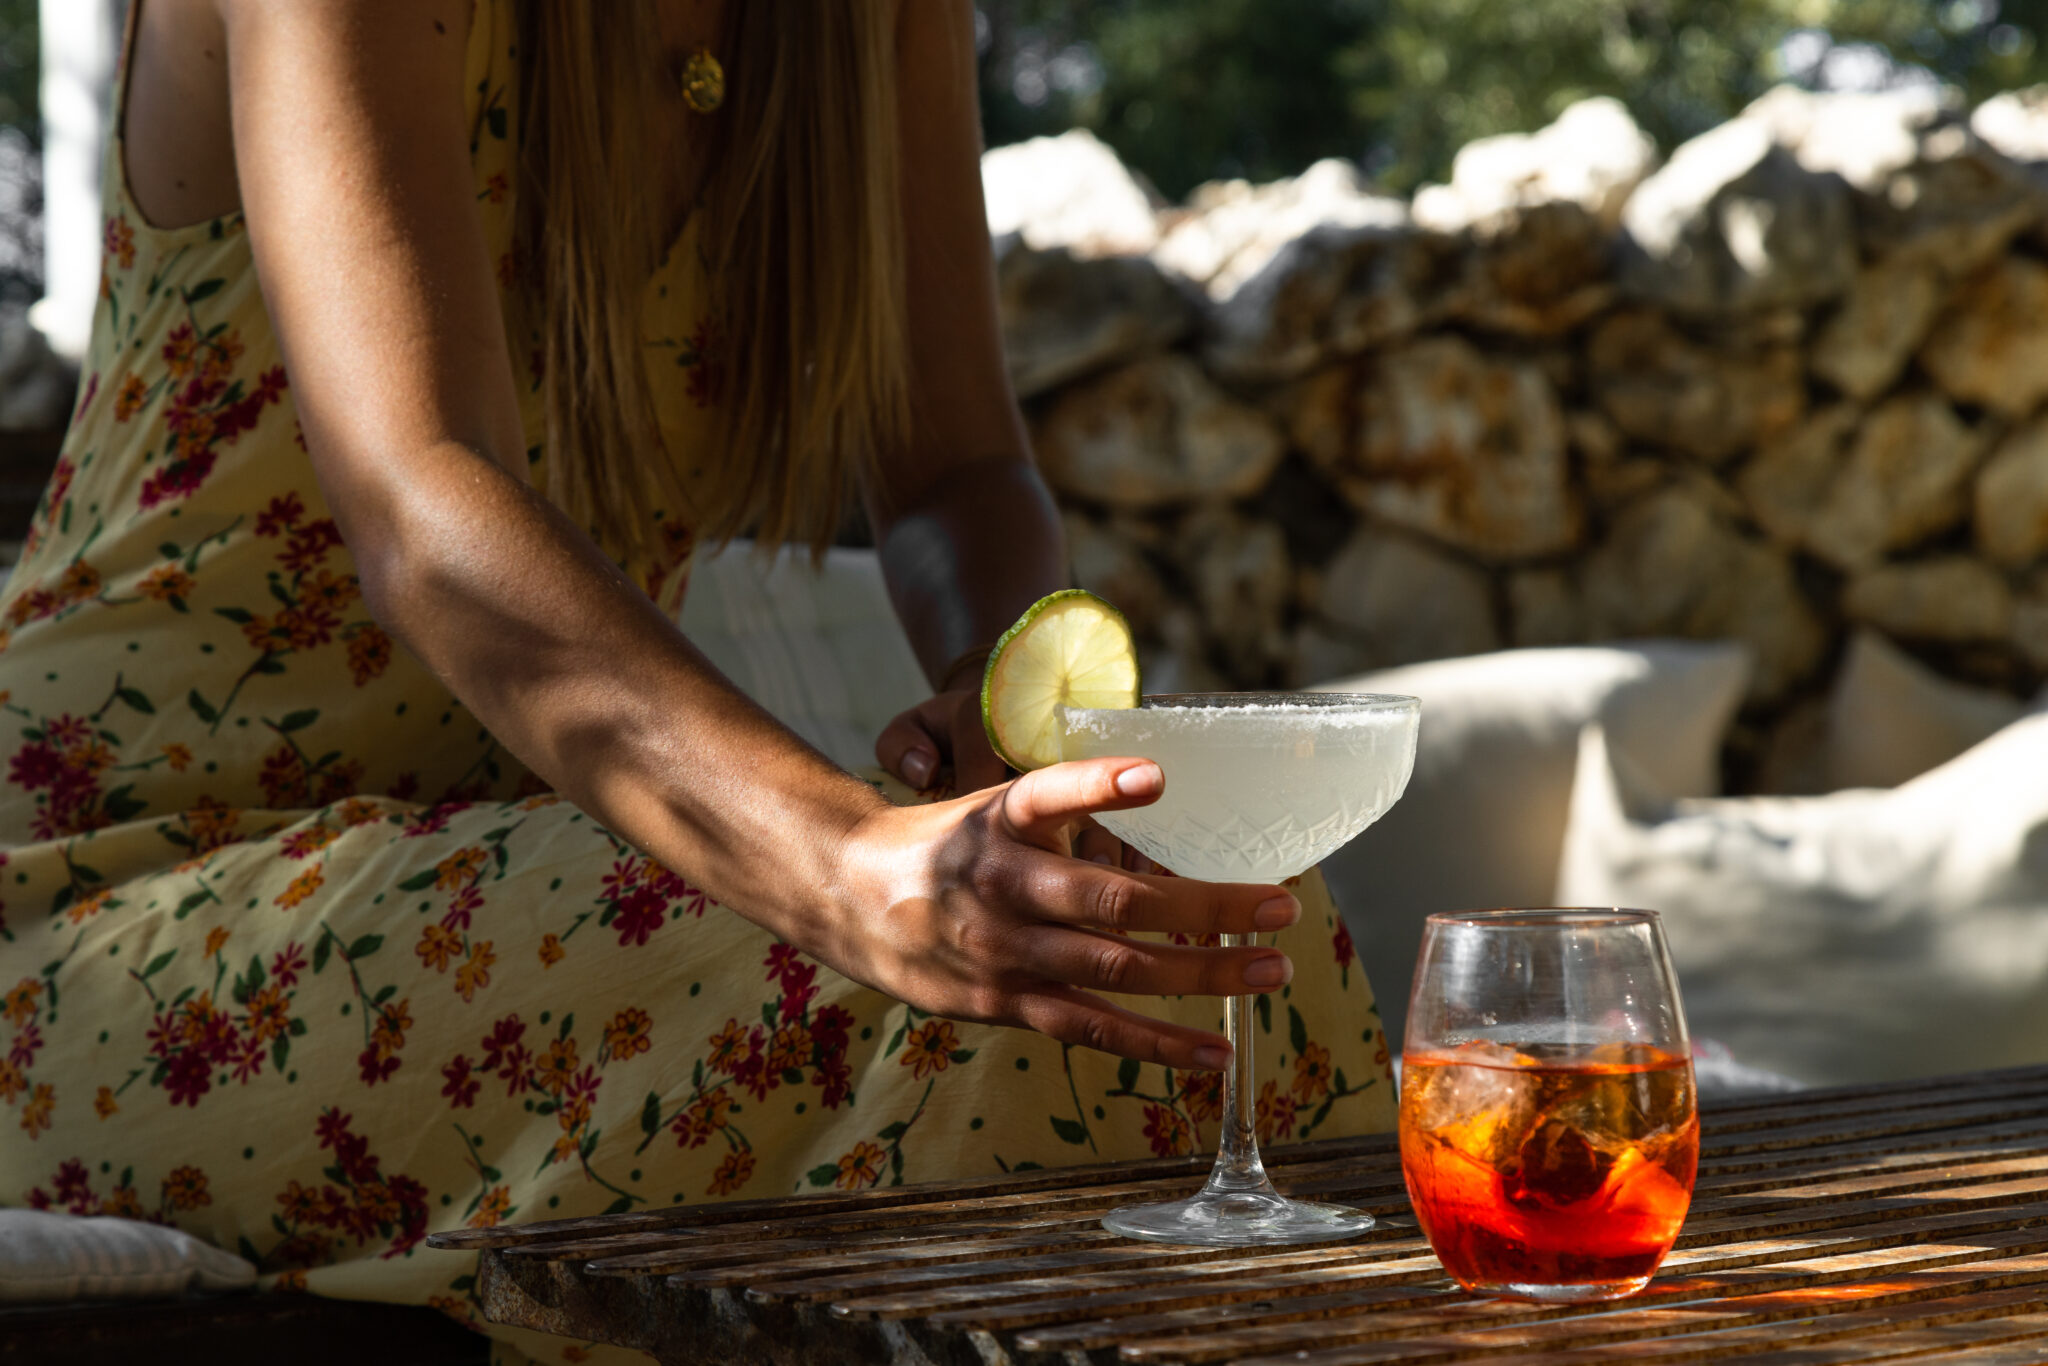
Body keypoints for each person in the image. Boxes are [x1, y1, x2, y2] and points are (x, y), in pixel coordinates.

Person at [0, 3, 1394, 1360]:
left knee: (1212, 931)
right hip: (109, 902)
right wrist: (850, 863)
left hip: (534, 855)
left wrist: (995, 679)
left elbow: (953, 468)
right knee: (982, 1015)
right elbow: (425, 506)